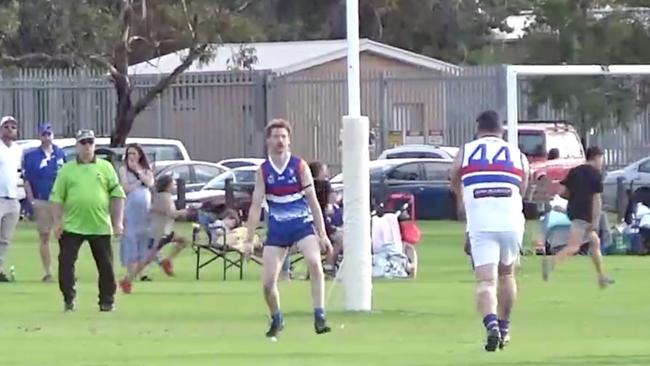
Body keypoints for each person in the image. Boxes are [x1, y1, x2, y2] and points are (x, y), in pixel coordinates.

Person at [243, 118, 333, 338]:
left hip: (301, 225)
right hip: (277, 230)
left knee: (314, 262)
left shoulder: (299, 166)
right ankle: (277, 318)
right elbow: (256, 206)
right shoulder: (263, 171)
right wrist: (249, 239)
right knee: (267, 285)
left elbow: (313, 202)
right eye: (276, 136)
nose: (280, 140)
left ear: (289, 140)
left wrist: (322, 234)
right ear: (268, 141)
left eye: (283, 136)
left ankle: (319, 315)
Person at [450, 110, 529, 352]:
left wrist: (464, 200)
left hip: (481, 221)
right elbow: (523, 189)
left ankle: (491, 324)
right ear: (501, 130)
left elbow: (454, 180)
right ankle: (504, 327)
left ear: (478, 128)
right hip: (511, 220)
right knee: (507, 275)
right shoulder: (518, 154)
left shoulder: (466, 151)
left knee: (485, 280)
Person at [49, 129, 125, 312]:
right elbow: (57, 198)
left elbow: (117, 195)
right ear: (77, 146)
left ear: (95, 145)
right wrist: (57, 222)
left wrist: (118, 222)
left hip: (99, 225)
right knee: (66, 263)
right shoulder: (67, 170)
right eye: (83, 143)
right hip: (73, 225)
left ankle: (107, 300)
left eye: (90, 143)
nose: (87, 147)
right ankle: (69, 298)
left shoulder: (105, 167)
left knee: (106, 266)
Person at [542, 146, 614, 288]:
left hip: (574, 211)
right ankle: (550, 263)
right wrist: (594, 220)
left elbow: (561, 191)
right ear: (596, 157)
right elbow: (596, 199)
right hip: (585, 215)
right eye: (601, 158)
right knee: (574, 247)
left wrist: (574, 198)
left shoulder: (575, 171)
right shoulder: (595, 174)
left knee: (594, 242)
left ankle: (601, 277)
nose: (602, 162)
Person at [119, 174, 189, 294]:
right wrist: (184, 212)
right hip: (159, 233)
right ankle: (127, 280)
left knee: (183, 241)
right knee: (146, 260)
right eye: (172, 183)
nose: (174, 185)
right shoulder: (164, 197)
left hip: (164, 231)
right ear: (167, 185)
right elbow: (171, 213)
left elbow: (156, 210)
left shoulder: (161, 196)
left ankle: (167, 261)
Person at [22, 123, 66, 282]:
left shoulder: (60, 154)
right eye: (44, 134)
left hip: (59, 201)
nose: (46, 137)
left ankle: (66, 270)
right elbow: (27, 180)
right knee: (44, 236)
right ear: (40, 136)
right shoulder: (31, 156)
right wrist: (31, 200)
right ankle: (48, 271)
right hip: (42, 200)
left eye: (49, 134)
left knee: (64, 236)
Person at [118, 144, 154, 282]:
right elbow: (126, 188)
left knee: (144, 238)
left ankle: (142, 271)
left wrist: (138, 173)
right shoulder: (123, 169)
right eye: (129, 154)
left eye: (134, 153)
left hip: (145, 210)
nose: (131, 156)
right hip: (131, 208)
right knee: (130, 237)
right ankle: (131, 271)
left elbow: (149, 182)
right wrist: (139, 182)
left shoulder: (145, 169)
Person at [0, 116, 22, 282]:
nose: (9, 129)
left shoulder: (17, 149)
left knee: (5, 239)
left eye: (13, 127)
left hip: (12, 198)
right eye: (6, 126)